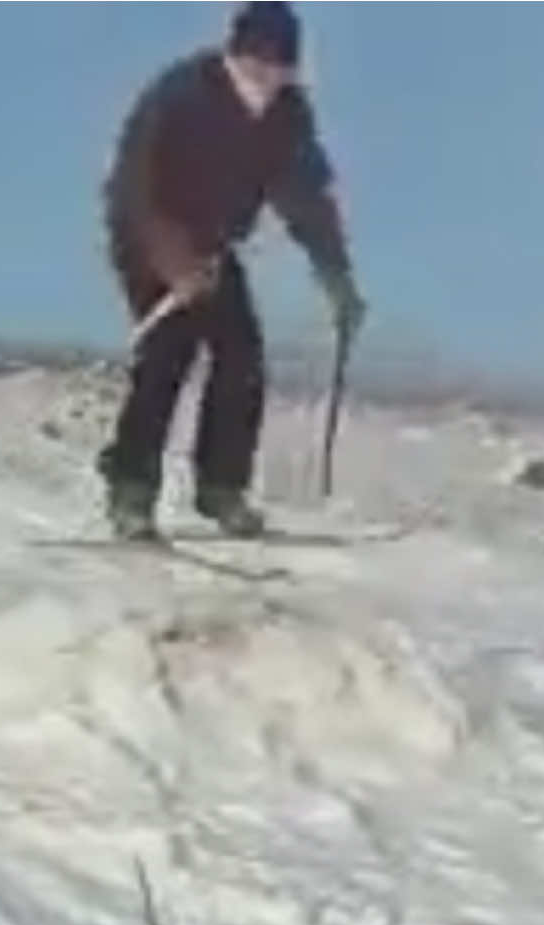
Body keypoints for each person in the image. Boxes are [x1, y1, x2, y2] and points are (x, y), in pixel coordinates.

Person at [99, 1, 365, 540]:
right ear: (234, 57)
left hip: (215, 247)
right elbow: (135, 188)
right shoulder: (179, 95)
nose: (266, 82)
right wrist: (173, 264)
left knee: (241, 354)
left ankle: (222, 488)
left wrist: (336, 276)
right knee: (169, 349)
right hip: (149, 235)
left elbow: (306, 196)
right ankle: (131, 491)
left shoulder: (288, 115)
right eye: (256, 69)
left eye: (279, 71)